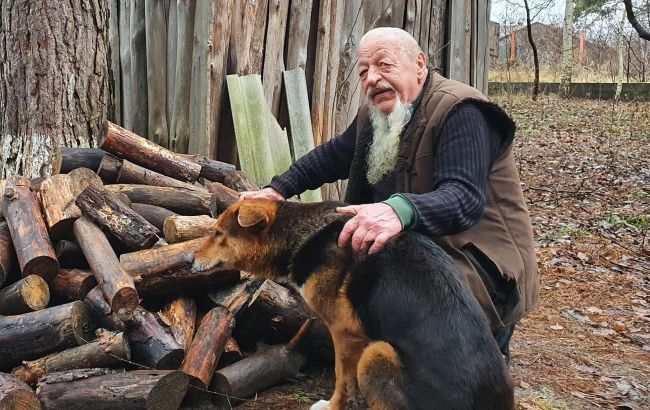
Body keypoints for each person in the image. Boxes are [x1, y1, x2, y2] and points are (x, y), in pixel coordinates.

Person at [240, 27, 538, 363]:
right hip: (417, 258)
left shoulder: (462, 111)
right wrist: (277, 188)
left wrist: (398, 210)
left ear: (420, 65)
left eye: (385, 65)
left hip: (480, 266)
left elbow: (463, 199)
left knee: (458, 378)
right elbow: (334, 155)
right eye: (364, 71)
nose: (372, 79)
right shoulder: (376, 113)